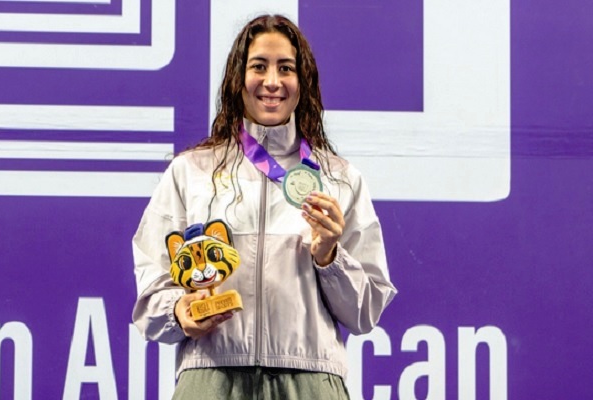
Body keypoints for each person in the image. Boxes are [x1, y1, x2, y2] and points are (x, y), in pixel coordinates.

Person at [132, 14, 397, 399]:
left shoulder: (340, 180)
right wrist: (178, 310)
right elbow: (151, 293)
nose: (272, 81)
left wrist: (329, 257)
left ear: (303, 82)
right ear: (237, 79)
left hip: (309, 381)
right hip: (211, 378)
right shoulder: (190, 172)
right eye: (259, 66)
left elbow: (365, 312)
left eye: (285, 68)